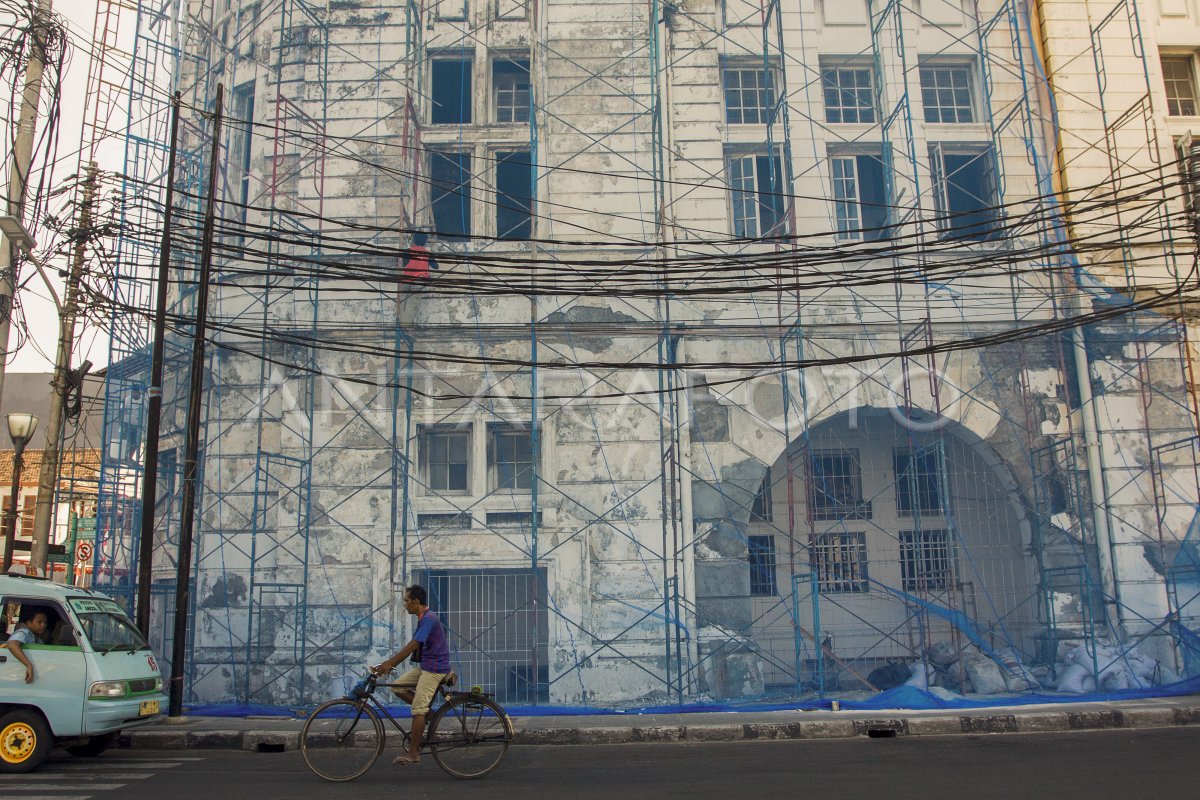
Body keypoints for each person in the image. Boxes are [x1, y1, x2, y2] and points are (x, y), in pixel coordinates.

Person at [370, 585, 451, 766]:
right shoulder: (423, 618)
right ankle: (430, 715)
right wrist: (390, 663)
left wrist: (390, 663)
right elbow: (413, 645)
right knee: (397, 687)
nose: (405, 605)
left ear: (415, 602)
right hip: (427, 666)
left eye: (406, 601)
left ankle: (414, 752)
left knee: (417, 710)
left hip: (435, 669)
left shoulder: (429, 619)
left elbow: (413, 645)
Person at [6, 608, 48, 684]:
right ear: (29, 623)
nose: (43, 625)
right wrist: (28, 664)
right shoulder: (24, 632)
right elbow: (12, 644)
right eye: (39, 622)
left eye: (45, 622)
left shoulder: (37, 638)